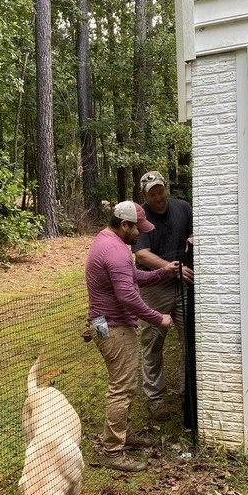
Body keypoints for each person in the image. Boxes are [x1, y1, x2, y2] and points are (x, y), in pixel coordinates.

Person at [86, 201, 193, 472]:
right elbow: (129, 297)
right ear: (124, 224)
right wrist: (159, 318)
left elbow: (132, 277)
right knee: (121, 387)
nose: (140, 235)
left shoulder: (106, 241)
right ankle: (112, 451)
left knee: (121, 382)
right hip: (113, 328)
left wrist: (162, 271)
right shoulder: (116, 251)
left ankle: (121, 434)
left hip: (102, 324)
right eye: (138, 229)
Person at [133, 170, 194, 422]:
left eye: (160, 191)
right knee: (152, 342)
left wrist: (192, 237)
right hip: (154, 286)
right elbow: (141, 254)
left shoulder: (183, 208)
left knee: (189, 338)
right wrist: (168, 267)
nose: (158, 197)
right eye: (152, 194)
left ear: (165, 188)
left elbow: (193, 232)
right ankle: (155, 398)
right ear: (144, 195)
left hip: (182, 284)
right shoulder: (142, 217)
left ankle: (187, 390)